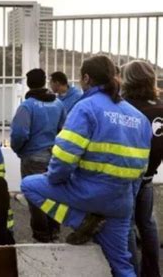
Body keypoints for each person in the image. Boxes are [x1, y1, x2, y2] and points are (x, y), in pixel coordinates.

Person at [21, 56, 152, 277]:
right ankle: (93, 225)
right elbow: (141, 170)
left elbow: (64, 156)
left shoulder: (85, 108)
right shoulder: (138, 117)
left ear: (86, 78)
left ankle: (84, 223)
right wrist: (126, 198)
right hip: (121, 202)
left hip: (87, 192)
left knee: (30, 185)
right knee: (122, 264)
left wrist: (56, 180)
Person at [10, 68, 66, 242]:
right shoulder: (58, 104)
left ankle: (42, 235)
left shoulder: (27, 106)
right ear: (44, 82)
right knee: (55, 195)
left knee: (36, 198)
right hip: (54, 157)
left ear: (28, 84)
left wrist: (19, 150)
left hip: (32, 159)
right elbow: (63, 131)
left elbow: (19, 134)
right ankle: (55, 231)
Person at [121, 60, 162, 277]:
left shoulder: (122, 108)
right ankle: (153, 272)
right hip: (147, 178)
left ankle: (131, 273)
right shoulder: (160, 108)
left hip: (124, 180)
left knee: (126, 226)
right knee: (147, 224)